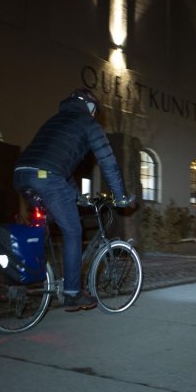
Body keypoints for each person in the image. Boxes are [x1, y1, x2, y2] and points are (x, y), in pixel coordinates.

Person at [13, 88, 131, 311]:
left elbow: (60, 167)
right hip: (46, 178)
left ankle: (24, 280)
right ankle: (72, 293)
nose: (94, 115)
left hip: (22, 173)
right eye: (94, 110)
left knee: (42, 227)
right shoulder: (88, 123)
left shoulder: (56, 120)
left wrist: (77, 198)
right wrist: (120, 196)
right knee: (73, 231)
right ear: (90, 107)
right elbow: (108, 162)